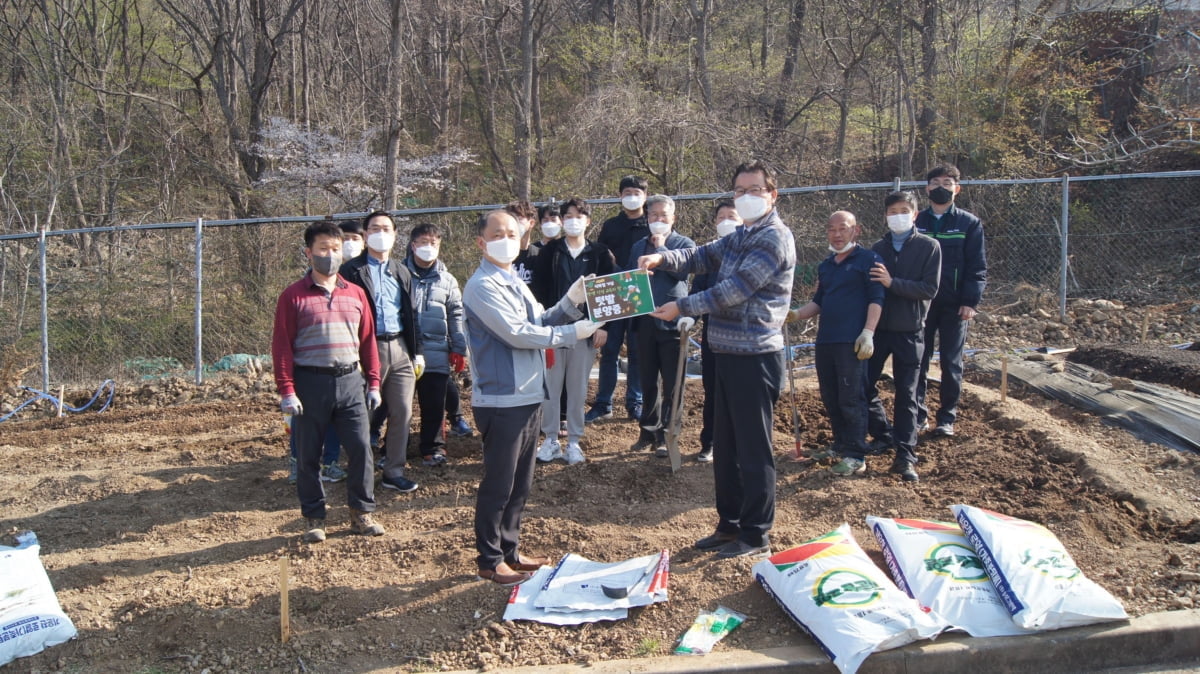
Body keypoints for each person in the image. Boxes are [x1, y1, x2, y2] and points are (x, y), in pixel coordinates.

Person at [638, 160, 795, 559]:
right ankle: (729, 524)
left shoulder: (773, 238)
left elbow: (734, 290)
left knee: (753, 447)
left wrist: (682, 305)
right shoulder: (741, 234)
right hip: (724, 352)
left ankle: (756, 532)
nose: (746, 197)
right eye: (739, 190)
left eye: (755, 189)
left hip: (755, 356)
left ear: (772, 195)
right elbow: (700, 256)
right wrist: (662, 260)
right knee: (726, 445)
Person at [463, 209, 602, 586]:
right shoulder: (481, 286)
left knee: (520, 483)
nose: (506, 239)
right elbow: (518, 334)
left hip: (527, 396)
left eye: (512, 233)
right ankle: (490, 560)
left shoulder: (512, 280)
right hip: (500, 399)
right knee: (499, 483)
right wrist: (573, 333)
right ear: (481, 242)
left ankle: (510, 550)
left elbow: (541, 321)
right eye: (497, 233)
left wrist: (571, 302)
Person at [271, 221, 385, 543]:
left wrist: (373, 383)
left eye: (335, 249)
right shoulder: (292, 297)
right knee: (308, 454)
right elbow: (282, 346)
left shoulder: (357, 294)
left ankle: (361, 513)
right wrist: (287, 390)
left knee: (361, 448)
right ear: (309, 253)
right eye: (323, 249)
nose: (330, 255)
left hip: (350, 381)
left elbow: (368, 343)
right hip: (310, 383)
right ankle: (314, 517)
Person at [788, 211, 883, 472]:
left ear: (856, 230)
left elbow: (877, 299)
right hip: (826, 340)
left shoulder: (869, 260)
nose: (837, 234)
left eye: (843, 228)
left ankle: (856, 455)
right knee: (831, 395)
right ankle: (839, 444)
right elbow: (819, 302)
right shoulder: (827, 265)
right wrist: (795, 314)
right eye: (832, 229)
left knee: (851, 398)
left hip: (851, 342)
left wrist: (868, 332)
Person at [339, 211, 424, 493]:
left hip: (400, 346)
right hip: (366, 347)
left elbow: (411, 315)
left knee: (402, 410)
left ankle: (393, 470)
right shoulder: (350, 270)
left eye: (386, 228)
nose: (380, 233)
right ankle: (359, 473)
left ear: (395, 234)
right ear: (365, 235)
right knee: (361, 413)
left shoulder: (402, 271)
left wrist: (417, 352)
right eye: (374, 228)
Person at [859, 192, 940, 482]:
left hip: (910, 331)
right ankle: (883, 434)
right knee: (863, 384)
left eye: (904, 210)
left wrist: (893, 283)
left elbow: (929, 289)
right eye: (892, 211)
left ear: (915, 214)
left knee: (907, 394)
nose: (898, 215)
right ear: (885, 215)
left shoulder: (929, 247)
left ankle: (905, 456)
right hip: (879, 331)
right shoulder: (877, 249)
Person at [531, 198, 616, 464]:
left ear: (588, 221)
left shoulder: (602, 254)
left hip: (586, 331)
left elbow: (609, 294)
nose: (572, 220)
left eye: (578, 215)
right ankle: (550, 440)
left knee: (578, 388)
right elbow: (541, 291)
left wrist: (604, 326)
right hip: (554, 332)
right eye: (567, 216)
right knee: (551, 387)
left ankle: (574, 442)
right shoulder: (550, 252)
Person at [915, 165, 987, 438]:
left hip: (954, 304)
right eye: (935, 183)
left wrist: (970, 301)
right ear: (927, 189)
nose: (941, 187)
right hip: (920, 304)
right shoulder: (916, 221)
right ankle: (918, 415)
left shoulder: (969, 223)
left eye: (947, 182)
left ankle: (946, 418)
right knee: (917, 360)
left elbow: (977, 267)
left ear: (957, 188)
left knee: (951, 361)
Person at [627, 194, 696, 458]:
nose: (658, 220)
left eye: (663, 216)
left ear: (673, 218)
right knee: (647, 380)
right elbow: (629, 278)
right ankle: (648, 431)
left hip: (674, 322)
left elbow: (682, 272)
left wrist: (661, 249)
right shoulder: (637, 247)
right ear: (647, 218)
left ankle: (668, 434)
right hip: (644, 321)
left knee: (673, 382)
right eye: (653, 215)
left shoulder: (685, 244)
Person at [404, 223, 470, 466]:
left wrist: (458, 347)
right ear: (412, 245)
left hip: (437, 349)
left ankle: (433, 449)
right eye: (423, 242)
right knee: (399, 407)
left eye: (433, 243)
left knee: (434, 405)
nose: (428, 248)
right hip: (405, 350)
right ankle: (394, 449)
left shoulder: (448, 279)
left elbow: (455, 314)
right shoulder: (399, 273)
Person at [589, 175, 649, 423]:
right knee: (610, 349)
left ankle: (635, 402)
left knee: (636, 351)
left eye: (636, 191)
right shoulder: (611, 225)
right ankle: (603, 403)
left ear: (645, 195)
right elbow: (601, 258)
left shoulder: (651, 224)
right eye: (626, 192)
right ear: (620, 196)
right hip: (612, 292)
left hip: (639, 292)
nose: (631, 196)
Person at [691, 200, 742, 463]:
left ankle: (736, 443)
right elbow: (698, 289)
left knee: (739, 391)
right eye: (720, 217)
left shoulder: (751, 250)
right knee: (712, 389)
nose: (725, 221)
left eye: (731, 216)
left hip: (742, 335)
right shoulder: (710, 254)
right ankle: (709, 442)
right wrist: (690, 316)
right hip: (712, 334)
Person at [508, 200, 540, 287]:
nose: (514, 222)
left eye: (519, 218)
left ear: (531, 223)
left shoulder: (539, 255)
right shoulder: (503, 255)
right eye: (511, 218)